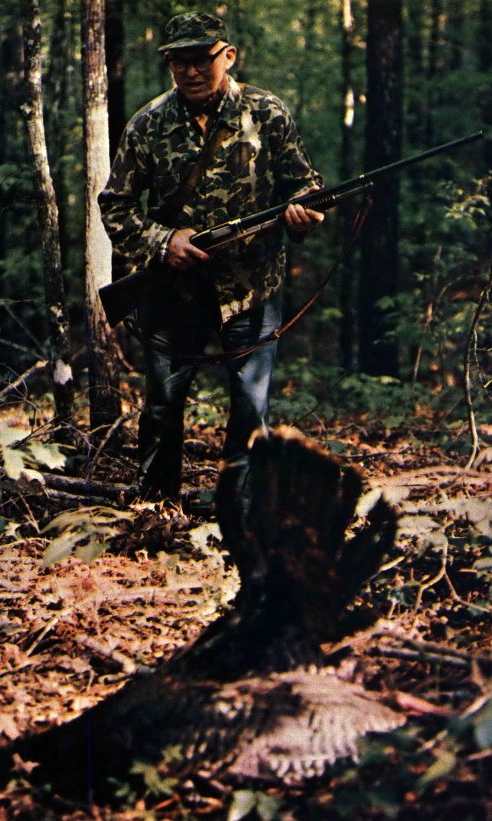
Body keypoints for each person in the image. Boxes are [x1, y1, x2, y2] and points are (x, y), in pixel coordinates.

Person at [98, 11, 324, 503]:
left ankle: (240, 511)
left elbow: (305, 184)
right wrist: (164, 241)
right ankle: (155, 507)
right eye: (179, 63)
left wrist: (304, 210)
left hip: (250, 288)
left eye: (201, 60)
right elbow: (114, 204)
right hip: (172, 289)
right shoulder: (147, 124)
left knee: (250, 407)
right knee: (161, 404)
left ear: (228, 56)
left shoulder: (268, 114)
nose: (191, 72)